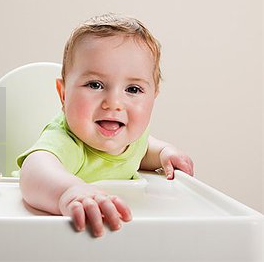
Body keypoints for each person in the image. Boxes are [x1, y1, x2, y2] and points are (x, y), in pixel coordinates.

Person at [17, 13, 194, 237]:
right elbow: (34, 172)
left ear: (153, 97)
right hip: (59, 234)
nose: (114, 103)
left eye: (133, 89)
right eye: (95, 84)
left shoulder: (131, 139)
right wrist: (70, 192)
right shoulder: (66, 140)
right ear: (63, 94)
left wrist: (164, 153)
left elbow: (144, 148)